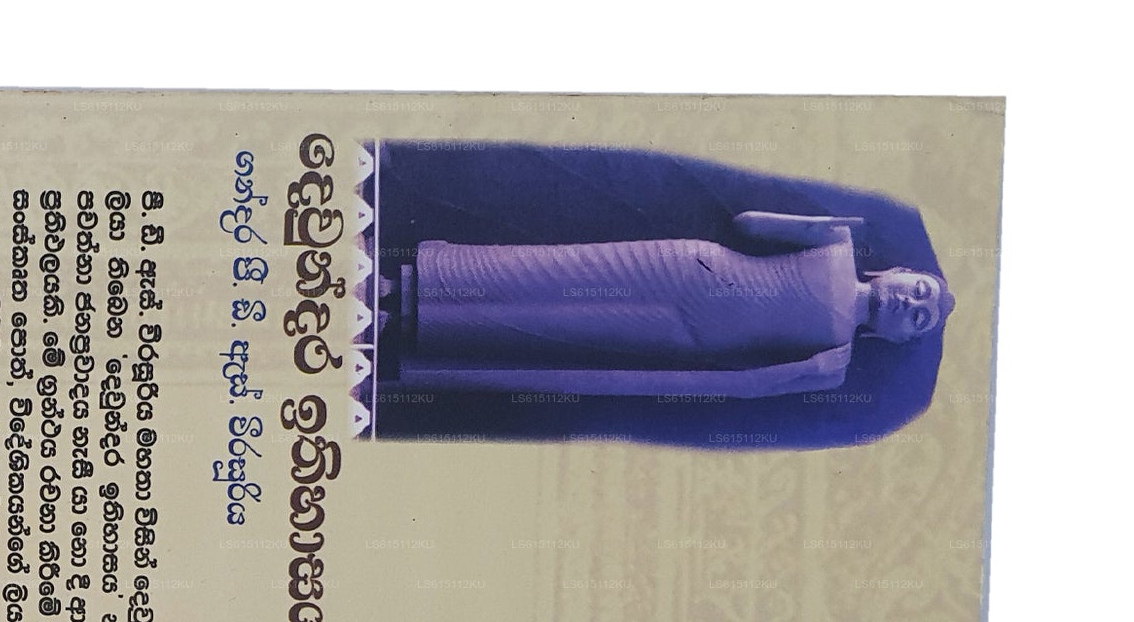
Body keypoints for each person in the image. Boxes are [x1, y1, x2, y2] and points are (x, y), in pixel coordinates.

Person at [383, 213, 953, 399]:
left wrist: (808, 372)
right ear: (899, 272)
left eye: (918, 318)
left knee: (555, 327)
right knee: (549, 269)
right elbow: (749, 224)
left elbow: (750, 386)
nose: (910, 302)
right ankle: (406, 283)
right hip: (690, 267)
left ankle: (408, 323)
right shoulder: (838, 242)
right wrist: (820, 223)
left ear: (899, 339)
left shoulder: (836, 362)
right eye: (919, 290)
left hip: (691, 334)